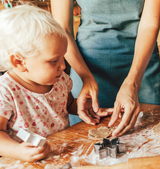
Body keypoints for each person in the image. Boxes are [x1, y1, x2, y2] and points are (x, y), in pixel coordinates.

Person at [0, 4, 112, 162]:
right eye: (54, 61)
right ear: (19, 62)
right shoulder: (5, 91)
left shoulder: (60, 80)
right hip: (24, 162)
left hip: (60, 155)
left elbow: (66, 104)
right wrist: (17, 151)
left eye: (63, 58)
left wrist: (84, 108)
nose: (63, 66)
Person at [51, 0, 160, 136]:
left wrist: (133, 82)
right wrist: (86, 78)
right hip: (86, 67)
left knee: (151, 138)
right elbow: (62, 30)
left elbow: (150, 24)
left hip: (142, 65)